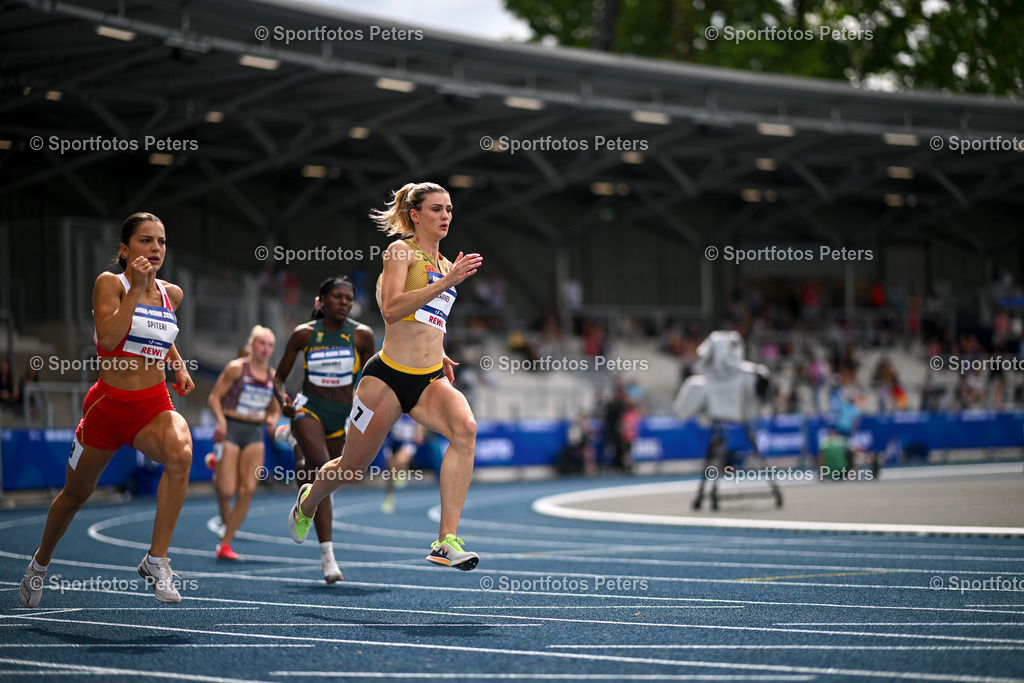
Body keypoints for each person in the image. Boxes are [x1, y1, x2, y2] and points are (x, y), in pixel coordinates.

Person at [288, 181, 483, 571]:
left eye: (449, 209)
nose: (446, 216)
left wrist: (440, 352)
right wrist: (447, 283)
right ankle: (307, 502)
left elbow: (431, 319)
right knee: (352, 468)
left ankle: (445, 541)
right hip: (387, 379)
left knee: (466, 428)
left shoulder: (447, 264)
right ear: (415, 215)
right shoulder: (400, 252)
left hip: (429, 380)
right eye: (436, 209)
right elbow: (392, 310)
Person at [19, 212, 195, 607]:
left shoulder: (173, 293)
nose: (155, 249)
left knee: (182, 453)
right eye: (145, 241)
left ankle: (157, 560)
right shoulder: (109, 283)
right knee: (74, 496)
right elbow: (111, 338)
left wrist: (178, 365)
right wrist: (137, 286)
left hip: (152, 406)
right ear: (124, 248)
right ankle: (39, 564)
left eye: (161, 242)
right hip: (106, 409)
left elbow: (160, 333)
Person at [274, 277, 375, 583]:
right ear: (321, 301)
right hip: (309, 408)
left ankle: (298, 460)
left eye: (349, 298)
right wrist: (283, 401)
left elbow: (373, 378)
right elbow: (278, 378)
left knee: (335, 477)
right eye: (337, 297)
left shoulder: (362, 335)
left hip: (343, 415)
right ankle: (328, 557)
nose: (344, 302)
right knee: (320, 469)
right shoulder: (304, 335)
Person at [207, 326, 280, 560]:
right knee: (227, 490)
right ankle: (218, 471)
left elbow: (275, 408)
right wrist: (221, 422)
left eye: (270, 345)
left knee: (247, 490)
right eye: (261, 343)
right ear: (251, 344)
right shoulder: (236, 368)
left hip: (254, 433)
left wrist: (271, 420)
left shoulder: (273, 377)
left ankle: (225, 544)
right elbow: (214, 398)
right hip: (232, 428)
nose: (265, 348)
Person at [380, 414, 424, 513]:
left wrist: (419, 433)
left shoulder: (413, 410)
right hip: (392, 443)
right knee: (391, 470)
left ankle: (403, 469)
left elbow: (421, 422)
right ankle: (388, 496)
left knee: (400, 460)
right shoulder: (395, 408)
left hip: (407, 442)